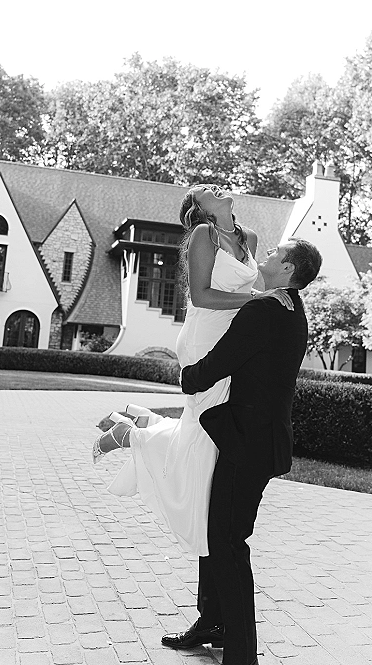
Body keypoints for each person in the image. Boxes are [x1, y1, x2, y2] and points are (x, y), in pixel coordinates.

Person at [92, 183, 292, 557]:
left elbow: (269, 286)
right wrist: (257, 297)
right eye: (206, 191)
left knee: (206, 431)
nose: (217, 188)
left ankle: (141, 420)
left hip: (234, 341)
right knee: (202, 438)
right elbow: (201, 296)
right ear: (200, 210)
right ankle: (127, 435)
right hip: (204, 337)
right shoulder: (204, 234)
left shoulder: (249, 237)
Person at [161, 238, 322, 665]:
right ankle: (212, 621)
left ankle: (240, 654)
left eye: (275, 254)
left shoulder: (263, 311)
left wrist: (187, 377)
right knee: (222, 534)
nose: (265, 255)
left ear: (287, 270)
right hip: (260, 439)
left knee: (227, 542)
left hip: (247, 444)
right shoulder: (290, 308)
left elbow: (218, 363)